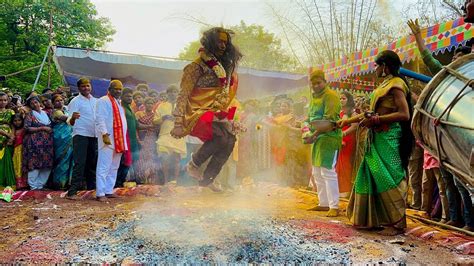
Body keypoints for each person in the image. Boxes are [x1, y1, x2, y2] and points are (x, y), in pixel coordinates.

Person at [339, 50, 412, 235]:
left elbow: (405, 114)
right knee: (372, 175)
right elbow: (372, 113)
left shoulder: (396, 85)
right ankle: (372, 219)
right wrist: (347, 121)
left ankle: (396, 223)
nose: (376, 68)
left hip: (389, 138)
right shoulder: (385, 84)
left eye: (378, 65)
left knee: (388, 177)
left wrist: (377, 121)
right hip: (376, 137)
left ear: (386, 66)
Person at [170, 27, 243, 192]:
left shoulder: (225, 68)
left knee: (230, 140)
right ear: (210, 42)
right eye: (219, 42)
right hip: (196, 112)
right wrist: (178, 121)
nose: (223, 46)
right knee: (220, 138)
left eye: (225, 42)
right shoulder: (195, 67)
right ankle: (193, 164)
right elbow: (183, 94)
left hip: (216, 112)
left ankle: (207, 179)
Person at [304, 70, 342, 217]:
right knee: (317, 172)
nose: (316, 86)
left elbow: (329, 121)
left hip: (329, 137)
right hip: (317, 138)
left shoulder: (331, 96)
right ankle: (323, 203)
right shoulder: (314, 97)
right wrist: (305, 128)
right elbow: (310, 117)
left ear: (325, 82)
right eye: (313, 84)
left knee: (328, 171)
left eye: (319, 83)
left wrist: (313, 135)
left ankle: (334, 206)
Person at [95, 80, 128, 202]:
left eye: (120, 89)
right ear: (109, 89)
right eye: (116, 89)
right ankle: (100, 192)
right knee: (104, 166)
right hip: (108, 138)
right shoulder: (103, 100)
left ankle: (108, 190)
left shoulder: (118, 103)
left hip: (119, 140)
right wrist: (104, 133)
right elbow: (100, 118)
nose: (118, 91)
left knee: (114, 166)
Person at [66, 78, 98, 200]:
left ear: (91, 87)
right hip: (80, 135)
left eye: (88, 86)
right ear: (79, 88)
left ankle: (91, 189)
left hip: (93, 135)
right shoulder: (75, 101)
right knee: (80, 163)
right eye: (83, 86)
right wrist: (73, 118)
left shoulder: (96, 101)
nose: (86, 88)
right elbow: (70, 121)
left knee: (92, 162)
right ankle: (72, 192)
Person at [154, 85, 187, 184]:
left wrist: (179, 119)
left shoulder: (182, 106)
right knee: (164, 158)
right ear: (167, 94)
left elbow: (187, 120)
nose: (173, 94)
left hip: (178, 135)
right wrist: (163, 118)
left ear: (178, 94)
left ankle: (175, 181)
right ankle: (165, 181)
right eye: (170, 92)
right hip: (164, 135)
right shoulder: (161, 106)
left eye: (175, 92)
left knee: (176, 159)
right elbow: (155, 121)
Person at [23, 96, 54, 190]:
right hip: (34, 143)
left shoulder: (47, 113)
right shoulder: (30, 115)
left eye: (36, 102)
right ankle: (33, 185)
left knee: (47, 164)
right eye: (32, 103)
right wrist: (42, 128)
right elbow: (27, 128)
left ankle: (40, 185)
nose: (34, 105)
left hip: (47, 143)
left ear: (39, 103)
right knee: (35, 164)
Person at [116, 88, 140, 187]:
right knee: (124, 162)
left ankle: (121, 182)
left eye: (131, 96)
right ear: (122, 97)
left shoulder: (130, 109)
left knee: (130, 161)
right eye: (127, 96)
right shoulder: (121, 108)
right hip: (125, 140)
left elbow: (136, 125)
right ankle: (117, 183)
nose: (129, 98)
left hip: (133, 140)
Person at [335, 90, 357, 198]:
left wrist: (343, 134)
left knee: (346, 164)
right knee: (339, 164)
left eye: (344, 98)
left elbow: (354, 126)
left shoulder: (352, 112)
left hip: (348, 139)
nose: (341, 100)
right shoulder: (340, 112)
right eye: (340, 98)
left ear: (349, 100)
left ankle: (346, 190)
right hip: (340, 138)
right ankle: (340, 189)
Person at [51, 94, 74, 189]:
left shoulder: (66, 109)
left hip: (69, 137)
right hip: (61, 138)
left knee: (70, 160)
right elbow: (68, 120)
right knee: (62, 160)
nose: (60, 102)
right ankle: (59, 183)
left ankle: (68, 182)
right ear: (53, 103)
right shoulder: (56, 112)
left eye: (61, 100)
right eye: (57, 101)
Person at [136, 97, 159, 184]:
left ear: (153, 105)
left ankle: (151, 180)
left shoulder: (156, 115)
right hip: (142, 139)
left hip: (152, 139)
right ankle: (142, 179)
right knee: (142, 158)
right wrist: (138, 139)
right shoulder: (139, 114)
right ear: (144, 105)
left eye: (151, 103)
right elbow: (136, 126)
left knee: (151, 158)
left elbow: (157, 127)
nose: (150, 105)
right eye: (148, 103)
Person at [0, 92, 16, 189]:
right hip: (4, 136)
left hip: (8, 140)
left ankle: (6, 184)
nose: (2, 102)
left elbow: (13, 125)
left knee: (7, 161)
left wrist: (12, 136)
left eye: (5, 100)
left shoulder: (11, 112)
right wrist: (7, 134)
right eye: (0, 100)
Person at [12, 113, 27, 190]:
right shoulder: (13, 130)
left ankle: (25, 183)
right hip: (16, 150)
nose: (17, 122)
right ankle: (19, 184)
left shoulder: (24, 129)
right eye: (15, 121)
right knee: (17, 166)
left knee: (23, 166)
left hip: (24, 149)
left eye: (19, 120)